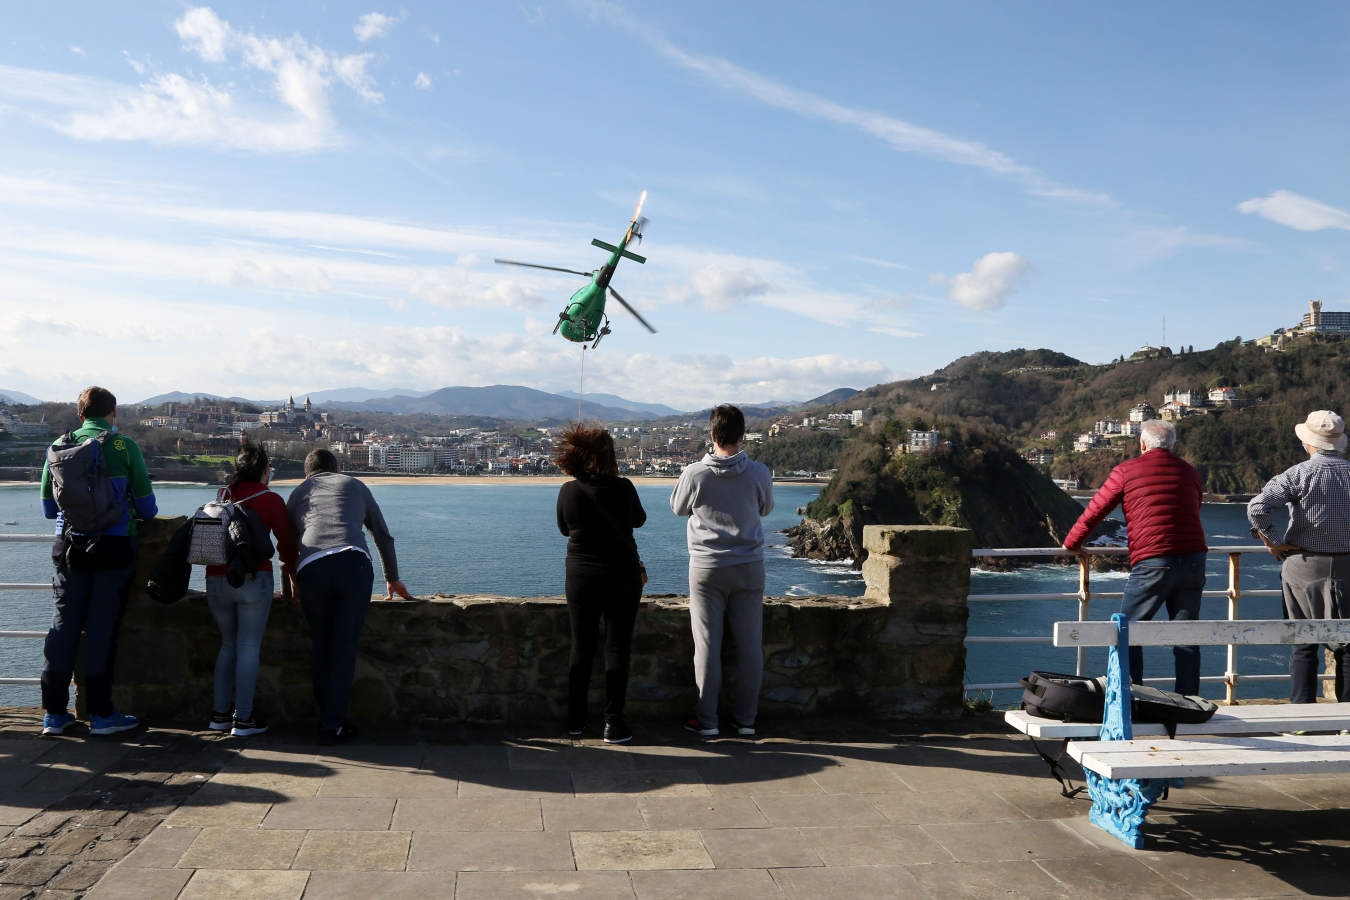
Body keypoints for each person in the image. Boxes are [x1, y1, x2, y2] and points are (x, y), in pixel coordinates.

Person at [39, 386, 157, 736]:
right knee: (102, 630)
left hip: (70, 549)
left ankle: (54, 714)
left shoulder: (58, 449)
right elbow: (148, 508)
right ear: (113, 413)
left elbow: (49, 509)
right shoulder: (124, 447)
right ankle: (102, 715)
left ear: (80, 416)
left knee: (64, 628)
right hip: (114, 547)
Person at [1062, 418, 1207, 694]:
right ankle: (1187, 704)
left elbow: (1096, 510)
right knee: (1187, 635)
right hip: (1194, 559)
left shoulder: (1127, 471)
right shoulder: (1190, 472)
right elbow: (1194, 507)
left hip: (1154, 560)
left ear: (1142, 444)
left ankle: (1132, 698)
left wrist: (1072, 543)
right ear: (1173, 445)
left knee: (1126, 631)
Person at [286, 449, 413, 744]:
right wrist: (392, 579)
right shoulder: (354, 484)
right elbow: (382, 535)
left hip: (312, 569)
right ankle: (333, 724)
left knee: (321, 645)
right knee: (343, 648)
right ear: (337, 467)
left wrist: (291, 582)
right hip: (352, 564)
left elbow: (288, 546)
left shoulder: (297, 493)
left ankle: (327, 719)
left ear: (308, 473)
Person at [670, 404, 774, 737]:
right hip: (749, 566)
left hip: (707, 567)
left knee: (707, 646)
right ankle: (746, 720)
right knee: (749, 646)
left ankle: (707, 720)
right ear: (742, 436)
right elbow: (766, 508)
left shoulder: (694, 473)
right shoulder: (759, 472)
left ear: (712, 435)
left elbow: (677, 508)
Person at [1247, 410, 1350, 703]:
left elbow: (1257, 508)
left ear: (1310, 443)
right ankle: (1347, 719)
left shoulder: (1298, 474)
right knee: (1348, 642)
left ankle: (1302, 713)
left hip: (1304, 564)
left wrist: (1275, 542)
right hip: (1348, 563)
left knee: (1304, 641)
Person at [554, 425, 647, 744]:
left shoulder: (569, 490)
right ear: (611, 455)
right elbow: (639, 520)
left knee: (582, 646)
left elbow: (564, 529)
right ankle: (613, 724)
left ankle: (575, 722)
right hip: (622, 575)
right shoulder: (624, 487)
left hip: (581, 576)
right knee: (617, 646)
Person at [204, 442, 298, 737]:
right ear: (264, 471)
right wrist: (292, 579)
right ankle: (242, 720)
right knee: (248, 647)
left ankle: (219, 716)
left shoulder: (222, 495)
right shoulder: (270, 499)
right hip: (252, 579)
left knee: (227, 645)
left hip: (216, 578)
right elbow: (287, 547)